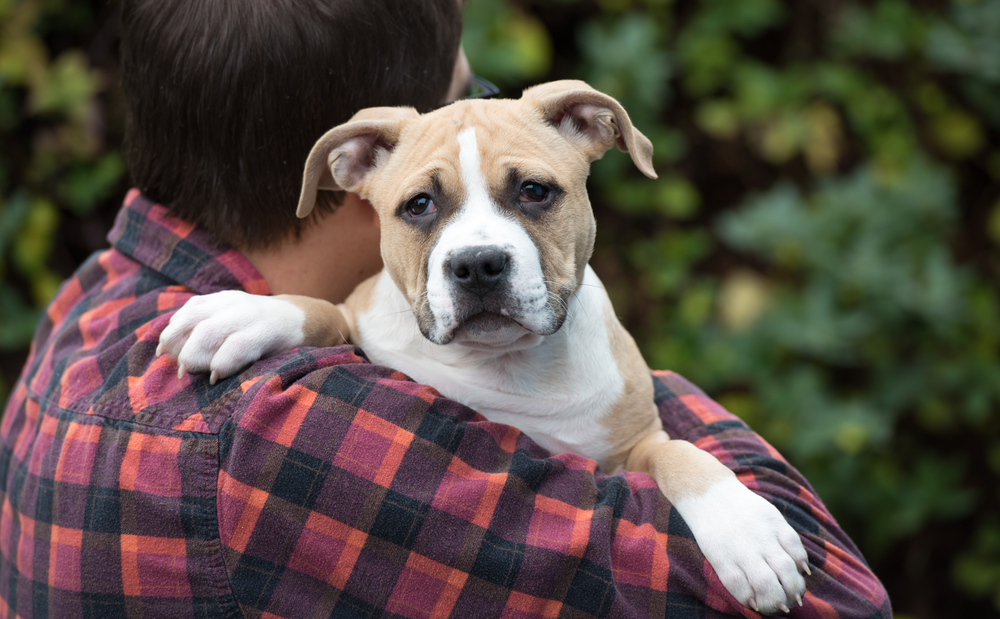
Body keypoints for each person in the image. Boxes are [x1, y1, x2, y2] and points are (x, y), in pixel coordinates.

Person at [0, 0, 891, 617]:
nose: (477, 242)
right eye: (431, 187)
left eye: (526, 187)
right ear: (353, 169)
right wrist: (621, 366)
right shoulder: (289, 432)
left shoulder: (94, 303)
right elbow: (833, 599)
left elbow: (355, 324)